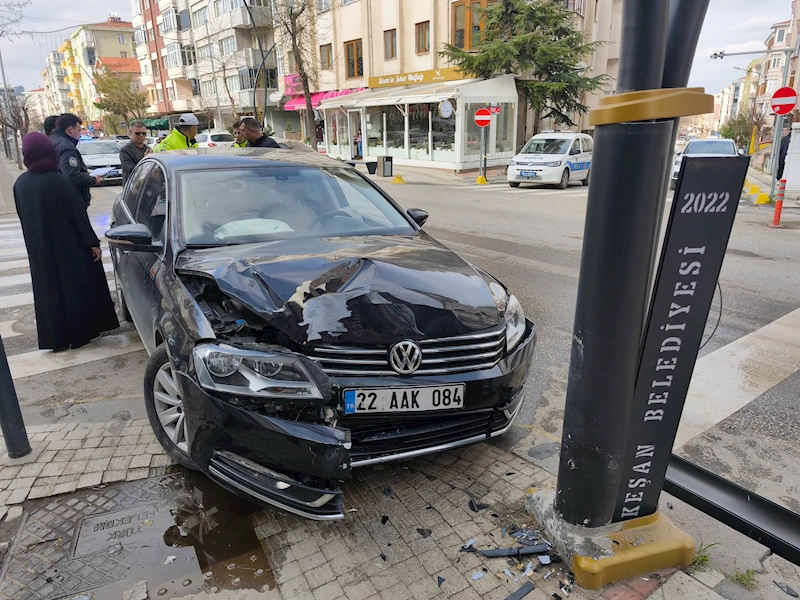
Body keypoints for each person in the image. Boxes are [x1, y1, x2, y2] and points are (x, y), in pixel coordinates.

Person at [14, 133, 119, 351]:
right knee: (76, 289)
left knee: (49, 293)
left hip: (40, 249)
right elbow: (77, 215)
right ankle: (81, 332)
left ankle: (56, 338)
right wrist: (92, 243)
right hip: (69, 248)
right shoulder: (58, 182)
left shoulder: (20, 184)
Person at [50, 113, 102, 208]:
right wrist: (93, 179)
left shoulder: (52, 140)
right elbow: (72, 176)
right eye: (79, 130)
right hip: (71, 200)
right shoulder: (67, 147)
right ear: (70, 130)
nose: (80, 134)